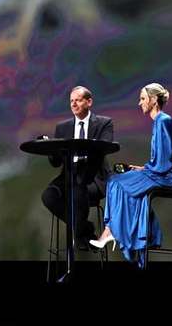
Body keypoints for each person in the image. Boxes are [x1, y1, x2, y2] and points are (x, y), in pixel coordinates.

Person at [90, 83, 172, 267]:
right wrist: (142, 169)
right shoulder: (159, 122)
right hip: (158, 172)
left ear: (153, 100)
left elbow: (163, 163)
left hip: (165, 177)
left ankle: (112, 231)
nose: (139, 103)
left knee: (116, 182)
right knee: (118, 181)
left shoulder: (163, 121)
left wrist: (147, 169)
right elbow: (161, 160)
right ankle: (125, 236)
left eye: (142, 99)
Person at [41, 86, 114, 250]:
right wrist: (50, 149)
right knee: (48, 196)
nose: (73, 104)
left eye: (78, 100)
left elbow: (103, 150)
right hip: (69, 177)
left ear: (89, 102)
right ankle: (85, 230)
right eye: (71, 101)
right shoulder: (62, 127)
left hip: (93, 177)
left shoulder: (104, 123)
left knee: (77, 189)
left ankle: (81, 235)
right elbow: (56, 163)